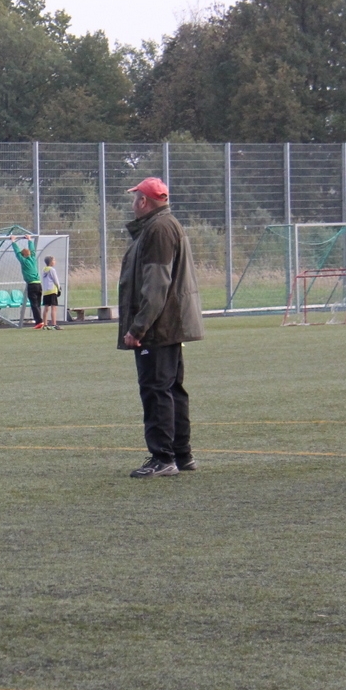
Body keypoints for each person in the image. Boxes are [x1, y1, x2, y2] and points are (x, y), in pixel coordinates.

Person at [118, 177, 204, 478]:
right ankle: (181, 454)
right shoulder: (167, 225)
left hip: (159, 325)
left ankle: (162, 457)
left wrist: (138, 327)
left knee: (156, 389)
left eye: (135, 199)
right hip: (170, 322)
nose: (132, 204)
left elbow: (156, 284)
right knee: (171, 389)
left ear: (143, 201)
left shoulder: (157, 229)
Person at [15, 239, 43, 328]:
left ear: (23, 255)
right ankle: (40, 321)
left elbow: (17, 253)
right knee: (38, 303)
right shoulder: (33, 259)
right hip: (39, 284)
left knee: (34, 304)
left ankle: (39, 321)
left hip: (32, 284)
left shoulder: (24, 261)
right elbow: (33, 251)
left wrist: (13, 242)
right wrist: (30, 240)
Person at [40, 255, 62, 330]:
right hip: (52, 291)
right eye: (54, 260)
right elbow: (55, 280)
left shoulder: (44, 270)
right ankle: (54, 324)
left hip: (46, 292)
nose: (55, 261)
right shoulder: (52, 270)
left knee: (46, 308)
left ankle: (45, 325)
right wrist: (59, 287)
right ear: (50, 262)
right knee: (54, 308)